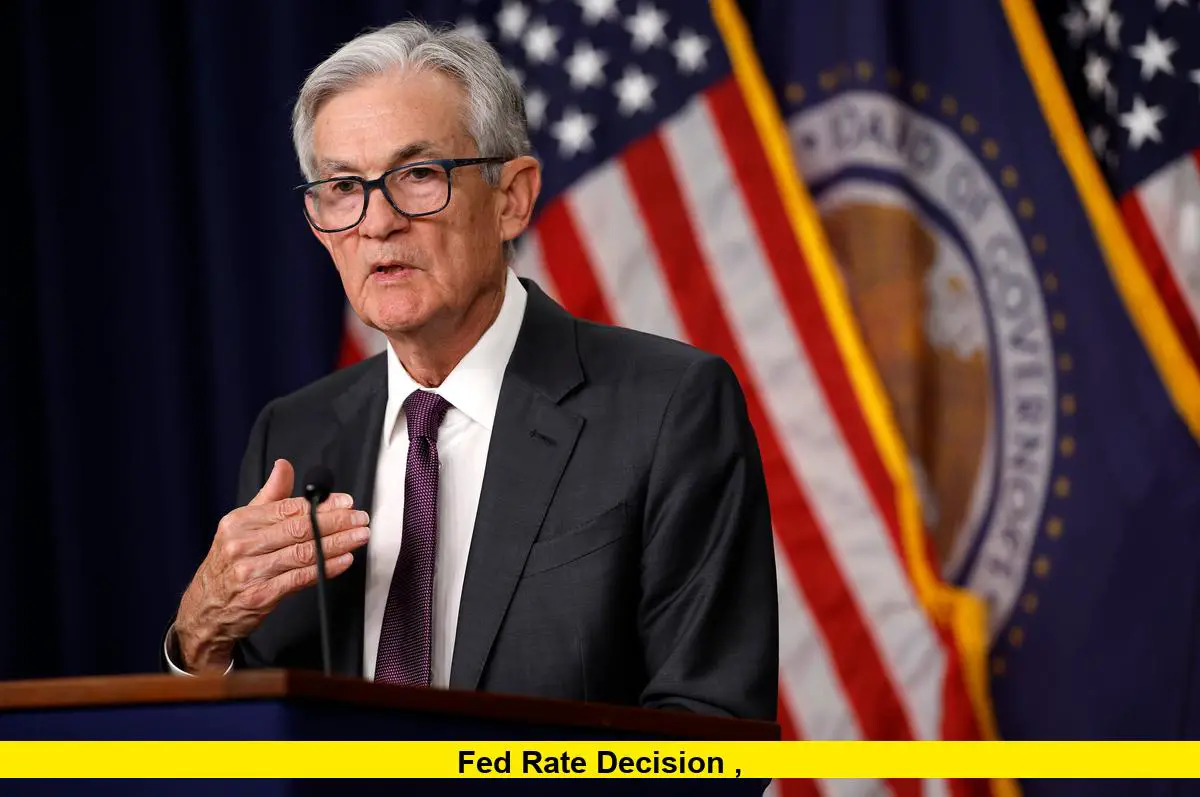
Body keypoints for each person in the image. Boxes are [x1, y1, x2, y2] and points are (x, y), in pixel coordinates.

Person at [162, 19, 778, 721]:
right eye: (344, 187)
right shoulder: (293, 436)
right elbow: (241, 740)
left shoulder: (667, 409)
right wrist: (199, 639)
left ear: (511, 198)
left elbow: (712, 738)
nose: (377, 223)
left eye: (418, 175)